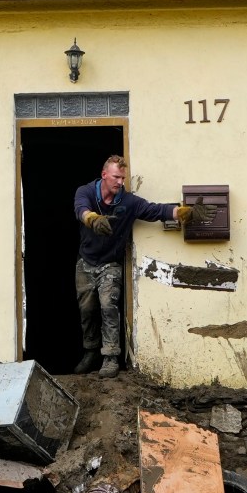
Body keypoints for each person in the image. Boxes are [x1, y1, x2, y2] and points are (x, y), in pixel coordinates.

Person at [73, 155, 191, 377]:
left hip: (110, 264)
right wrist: (93, 219)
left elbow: (156, 210)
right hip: (86, 262)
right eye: (116, 177)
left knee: (108, 307)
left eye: (123, 178)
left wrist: (183, 212)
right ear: (104, 174)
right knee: (86, 310)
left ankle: (110, 357)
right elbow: (81, 210)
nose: (120, 182)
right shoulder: (86, 192)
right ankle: (91, 351)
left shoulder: (128, 202)